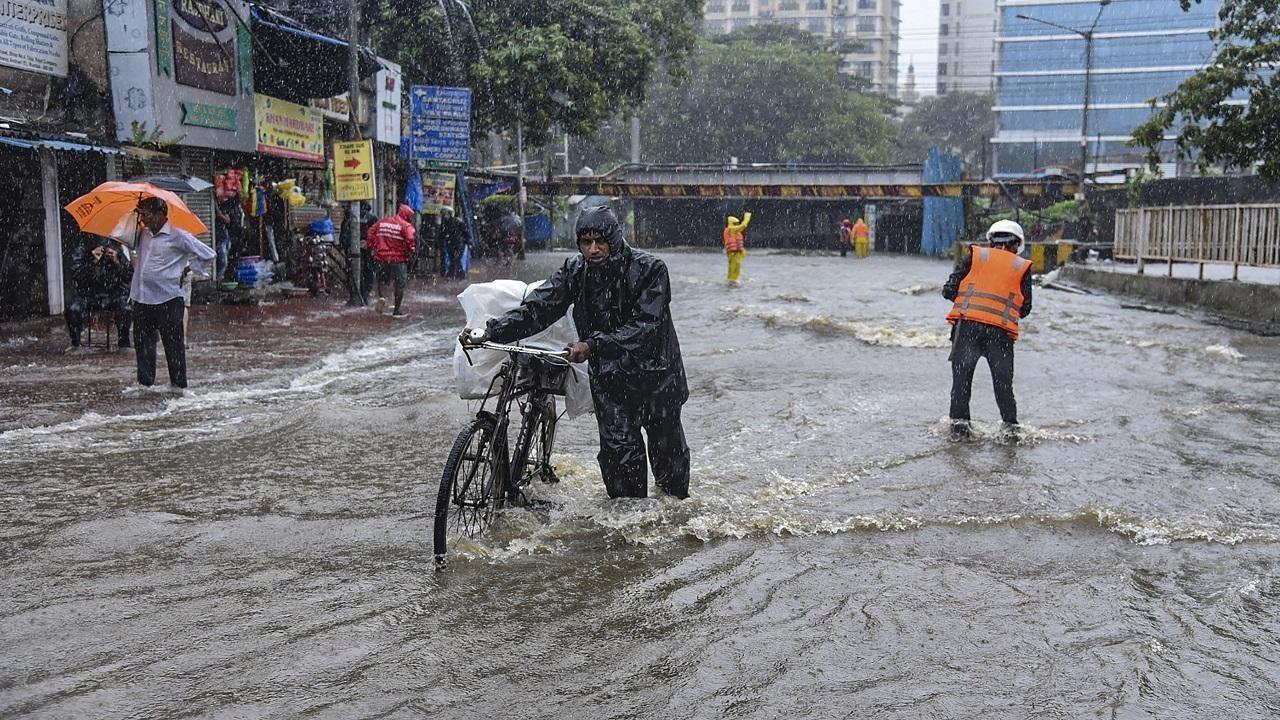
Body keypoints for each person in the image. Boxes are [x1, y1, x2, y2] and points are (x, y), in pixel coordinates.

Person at [461, 205, 691, 500]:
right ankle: (630, 527)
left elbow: (646, 327)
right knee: (619, 457)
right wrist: (492, 330)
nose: (593, 250)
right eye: (586, 242)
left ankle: (672, 518)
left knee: (668, 456)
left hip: (657, 378)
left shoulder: (651, 269)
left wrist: (593, 345)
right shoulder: (576, 270)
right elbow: (539, 308)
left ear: (615, 238)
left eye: (600, 241)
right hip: (611, 379)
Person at [942, 219, 1033, 441]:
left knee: (961, 386)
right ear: (1017, 244)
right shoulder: (1021, 266)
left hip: (967, 329)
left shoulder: (975, 256)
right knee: (1003, 387)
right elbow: (1025, 308)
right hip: (1000, 334)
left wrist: (970, 305)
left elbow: (948, 290)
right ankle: (1010, 434)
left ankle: (959, 434)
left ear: (990, 240)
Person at [129, 197, 215, 390]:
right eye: (141, 215)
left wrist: (190, 267)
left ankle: (178, 388)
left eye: (146, 215)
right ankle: (145, 386)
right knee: (143, 346)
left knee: (173, 346)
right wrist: (132, 218)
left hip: (168, 298)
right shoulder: (141, 234)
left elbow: (208, 254)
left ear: (160, 215)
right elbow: (122, 238)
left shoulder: (178, 235)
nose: (142, 219)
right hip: (142, 298)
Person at [65, 235, 132, 351]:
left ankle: (124, 343)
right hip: (88, 295)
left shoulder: (116, 247)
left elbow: (128, 276)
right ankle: (75, 343)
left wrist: (117, 261)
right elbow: (77, 276)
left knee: (125, 310)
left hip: (112, 295)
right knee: (73, 309)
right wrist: (93, 261)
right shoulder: (83, 248)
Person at [364, 203, 416, 316]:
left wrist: (371, 246)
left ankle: (382, 298)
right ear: (406, 215)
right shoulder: (406, 226)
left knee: (381, 280)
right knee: (400, 284)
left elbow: (370, 233)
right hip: (398, 259)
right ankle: (397, 309)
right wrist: (410, 252)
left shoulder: (382, 222)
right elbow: (410, 239)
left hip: (381, 257)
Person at [723, 211, 752, 284]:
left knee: (733, 269)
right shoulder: (732, 229)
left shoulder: (733, 231)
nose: (737, 225)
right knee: (735, 269)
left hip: (735, 253)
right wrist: (747, 217)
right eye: (736, 224)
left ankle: (731, 280)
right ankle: (733, 282)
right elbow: (743, 225)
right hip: (734, 253)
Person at [441, 207, 470, 280]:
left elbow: (465, 232)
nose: (445, 216)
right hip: (450, 244)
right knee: (453, 259)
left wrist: (467, 241)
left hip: (458, 244)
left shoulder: (458, 222)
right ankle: (458, 275)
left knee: (456, 259)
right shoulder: (444, 223)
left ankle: (453, 275)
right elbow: (442, 234)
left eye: (446, 214)